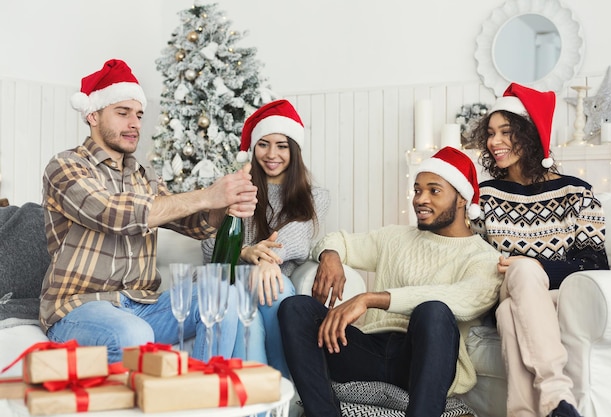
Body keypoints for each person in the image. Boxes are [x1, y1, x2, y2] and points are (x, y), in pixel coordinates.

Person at [39, 59, 257, 363]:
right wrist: (206, 195)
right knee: (133, 334)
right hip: (80, 306)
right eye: (123, 113)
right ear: (92, 114)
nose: (135, 124)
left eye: (139, 114)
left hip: (143, 303)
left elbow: (192, 224)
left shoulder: (144, 174)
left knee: (224, 297)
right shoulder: (66, 166)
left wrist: (223, 204)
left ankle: (204, 396)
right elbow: (110, 212)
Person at [278, 146, 503, 417]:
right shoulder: (396, 238)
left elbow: (462, 299)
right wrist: (330, 256)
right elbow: (337, 240)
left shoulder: (484, 258)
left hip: (421, 363)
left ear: (461, 199)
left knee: (433, 310)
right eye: (418, 190)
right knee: (295, 308)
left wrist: (371, 299)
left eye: (434, 190)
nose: (420, 199)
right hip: (367, 350)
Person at [469, 83, 610, 417]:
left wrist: (536, 267)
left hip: (563, 301)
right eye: (490, 133)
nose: (494, 142)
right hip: (503, 292)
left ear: (530, 134)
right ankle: (556, 396)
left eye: (506, 132)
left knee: (512, 308)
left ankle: (527, 412)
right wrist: (525, 268)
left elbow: (594, 263)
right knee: (516, 281)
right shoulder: (484, 197)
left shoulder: (577, 193)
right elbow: (473, 259)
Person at [202, 99, 330, 378]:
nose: (272, 154)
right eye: (263, 144)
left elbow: (298, 236)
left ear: (294, 150)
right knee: (264, 294)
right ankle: (268, 400)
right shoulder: (235, 189)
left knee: (275, 285)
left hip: (271, 285)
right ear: (253, 148)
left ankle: (282, 392)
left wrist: (266, 260)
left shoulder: (314, 197)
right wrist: (247, 253)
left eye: (282, 145)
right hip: (235, 285)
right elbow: (210, 247)